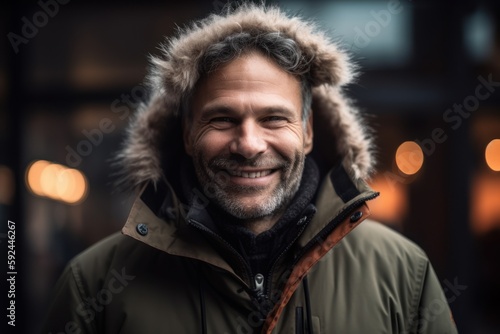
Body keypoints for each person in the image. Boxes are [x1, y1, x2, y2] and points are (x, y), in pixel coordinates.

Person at [42, 3, 458, 333]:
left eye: (274, 119)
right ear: (187, 132)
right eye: (222, 119)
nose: (249, 145)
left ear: (308, 131)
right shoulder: (94, 284)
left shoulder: (402, 272)